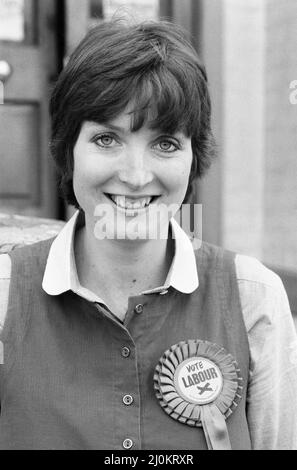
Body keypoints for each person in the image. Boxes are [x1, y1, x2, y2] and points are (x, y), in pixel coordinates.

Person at [0, 18, 297, 451]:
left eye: (165, 143)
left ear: (194, 158)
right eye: (106, 139)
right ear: (68, 151)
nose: (136, 176)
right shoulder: (5, 298)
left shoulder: (254, 300)